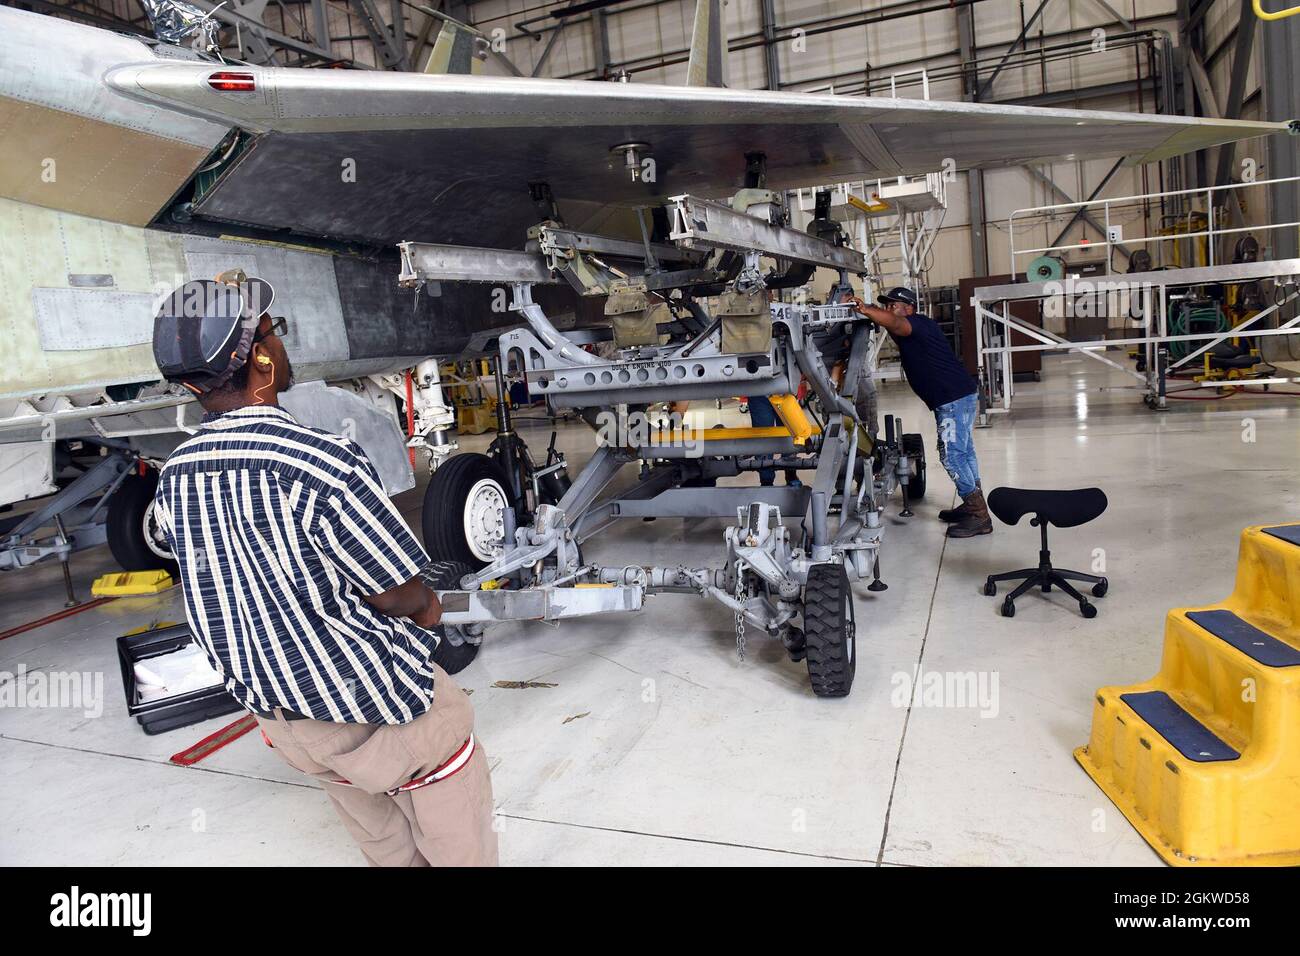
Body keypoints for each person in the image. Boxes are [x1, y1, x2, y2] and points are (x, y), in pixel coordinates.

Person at [150, 272, 497, 866]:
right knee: (455, 819)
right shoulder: (321, 463)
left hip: (284, 720)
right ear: (260, 357)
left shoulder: (175, 475)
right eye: (273, 333)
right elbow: (401, 595)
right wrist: (430, 610)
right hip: (372, 704)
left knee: (384, 842)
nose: (280, 345)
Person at [852, 286, 991, 537]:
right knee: (965, 451)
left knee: (952, 456)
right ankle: (974, 505)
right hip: (959, 395)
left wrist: (866, 308)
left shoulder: (915, 323)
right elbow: (891, 322)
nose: (888, 309)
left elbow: (894, 321)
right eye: (887, 305)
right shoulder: (912, 328)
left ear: (909, 308)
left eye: (893, 304)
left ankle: (979, 516)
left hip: (952, 399)